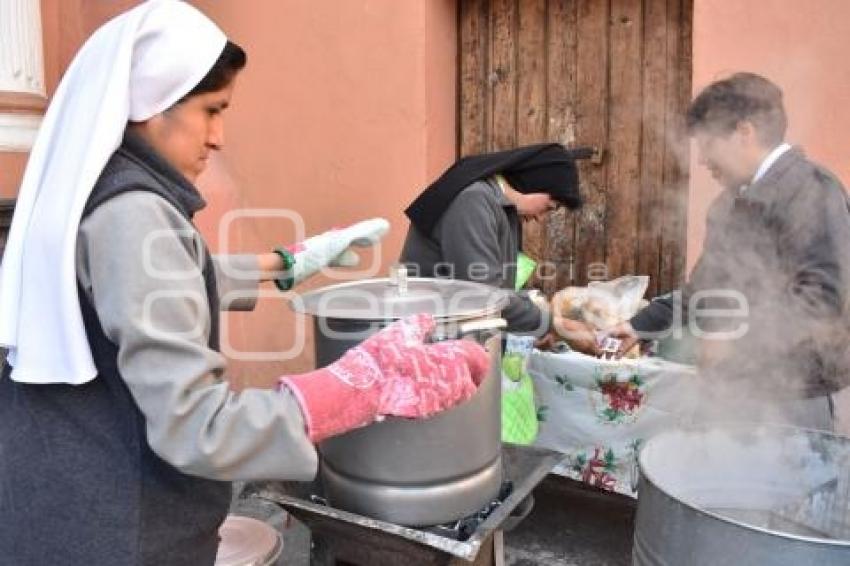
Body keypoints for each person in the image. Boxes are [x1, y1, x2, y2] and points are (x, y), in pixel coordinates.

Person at [0, 2, 489, 564]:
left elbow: (156, 283)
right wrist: (353, 390)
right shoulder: (134, 213)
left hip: (59, 503)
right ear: (150, 100)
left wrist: (289, 262)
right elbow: (195, 427)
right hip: (121, 529)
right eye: (212, 110)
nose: (219, 136)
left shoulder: (90, 192)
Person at [610, 72, 850, 430]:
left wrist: (737, 340)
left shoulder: (812, 190)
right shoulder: (729, 203)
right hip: (737, 391)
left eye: (707, 144)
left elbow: (821, 298)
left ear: (744, 132)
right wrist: (639, 326)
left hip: (797, 395)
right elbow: (702, 291)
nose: (703, 160)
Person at [401, 143, 600, 354]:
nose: (541, 218)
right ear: (534, 183)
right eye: (549, 208)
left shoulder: (503, 210)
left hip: (459, 339)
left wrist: (536, 329)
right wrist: (557, 326)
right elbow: (485, 295)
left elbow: (501, 289)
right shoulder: (473, 201)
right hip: (433, 346)